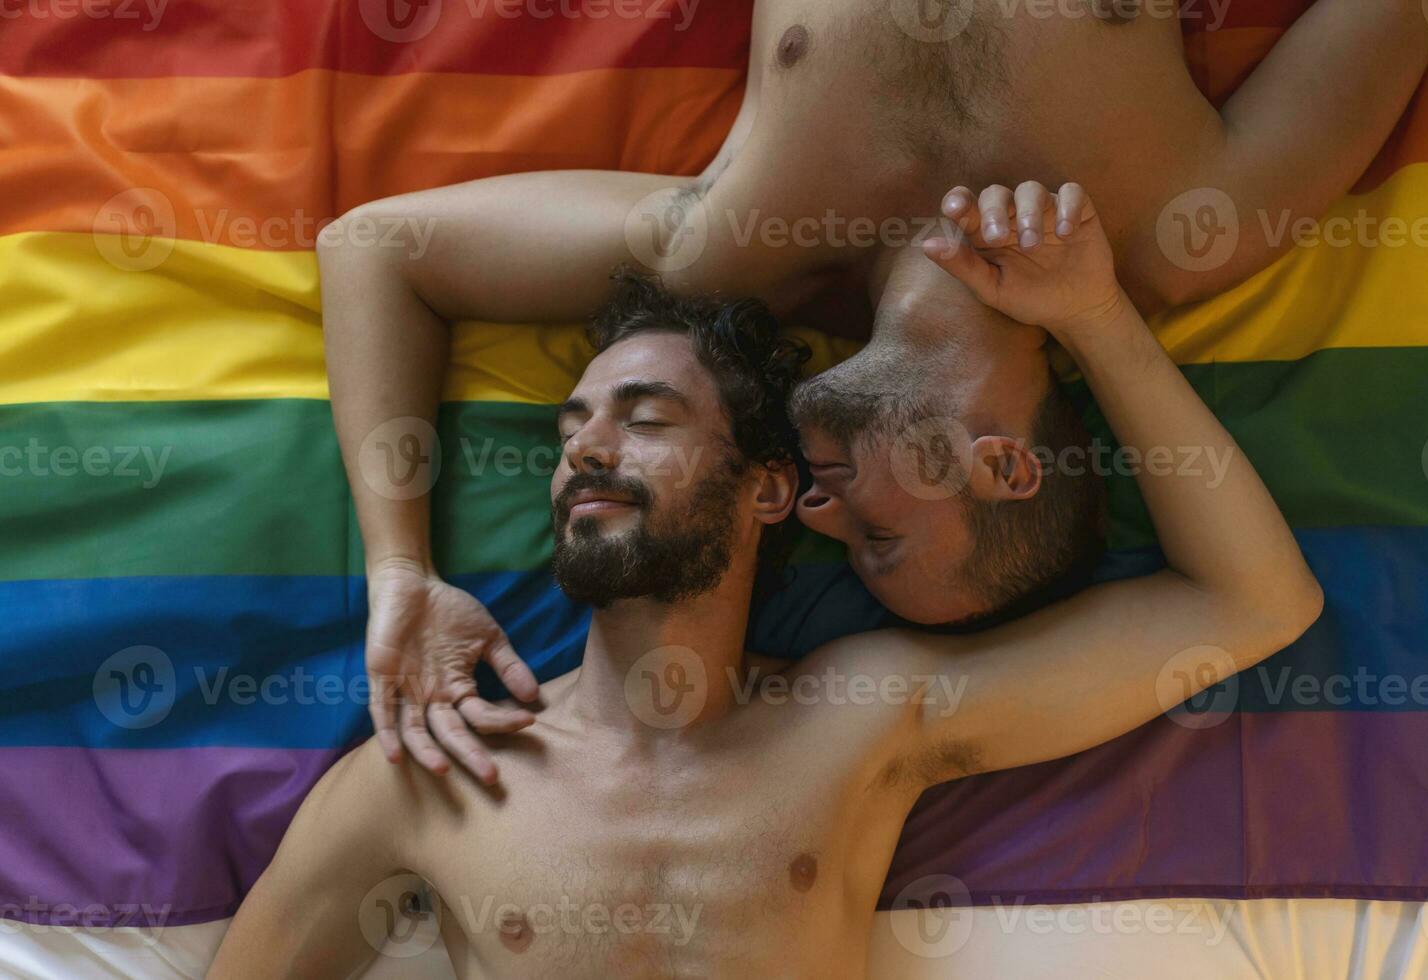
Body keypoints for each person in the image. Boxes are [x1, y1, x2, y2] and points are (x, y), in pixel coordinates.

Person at [210, 182, 1322, 977]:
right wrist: (397, 571)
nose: (586, 449)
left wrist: (1093, 316)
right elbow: (374, 242)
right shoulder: (428, 770)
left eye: (645, 419)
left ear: (769, 489)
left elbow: (1252, 601)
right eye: (573, 426)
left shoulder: (864, 717)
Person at [317, 0, 1428, 772]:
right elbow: (1259, 600)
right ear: (1000, 465)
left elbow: (375, 248)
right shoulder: (1192, 226)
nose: (814, 510)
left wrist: (399, 572)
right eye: (881, 541)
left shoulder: (733, 248)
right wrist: (1099, 318)